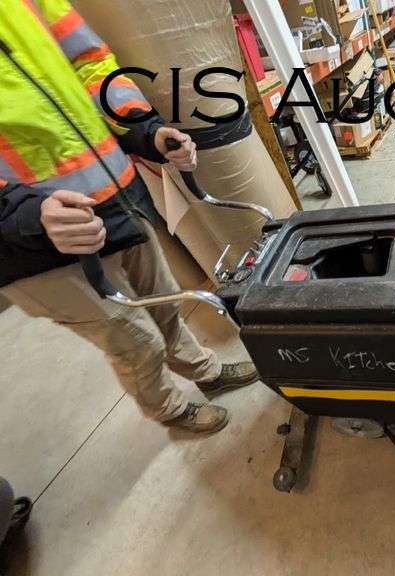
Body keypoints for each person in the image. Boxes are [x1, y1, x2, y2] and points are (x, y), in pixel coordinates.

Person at [0, 0, 257, 433]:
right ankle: (170, 409)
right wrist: (23, 215)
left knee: (166, 303)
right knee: (135, 339)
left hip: (117, 196)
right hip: (35, 242)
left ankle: (206, 372)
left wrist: (145, 130)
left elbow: (92, 67)